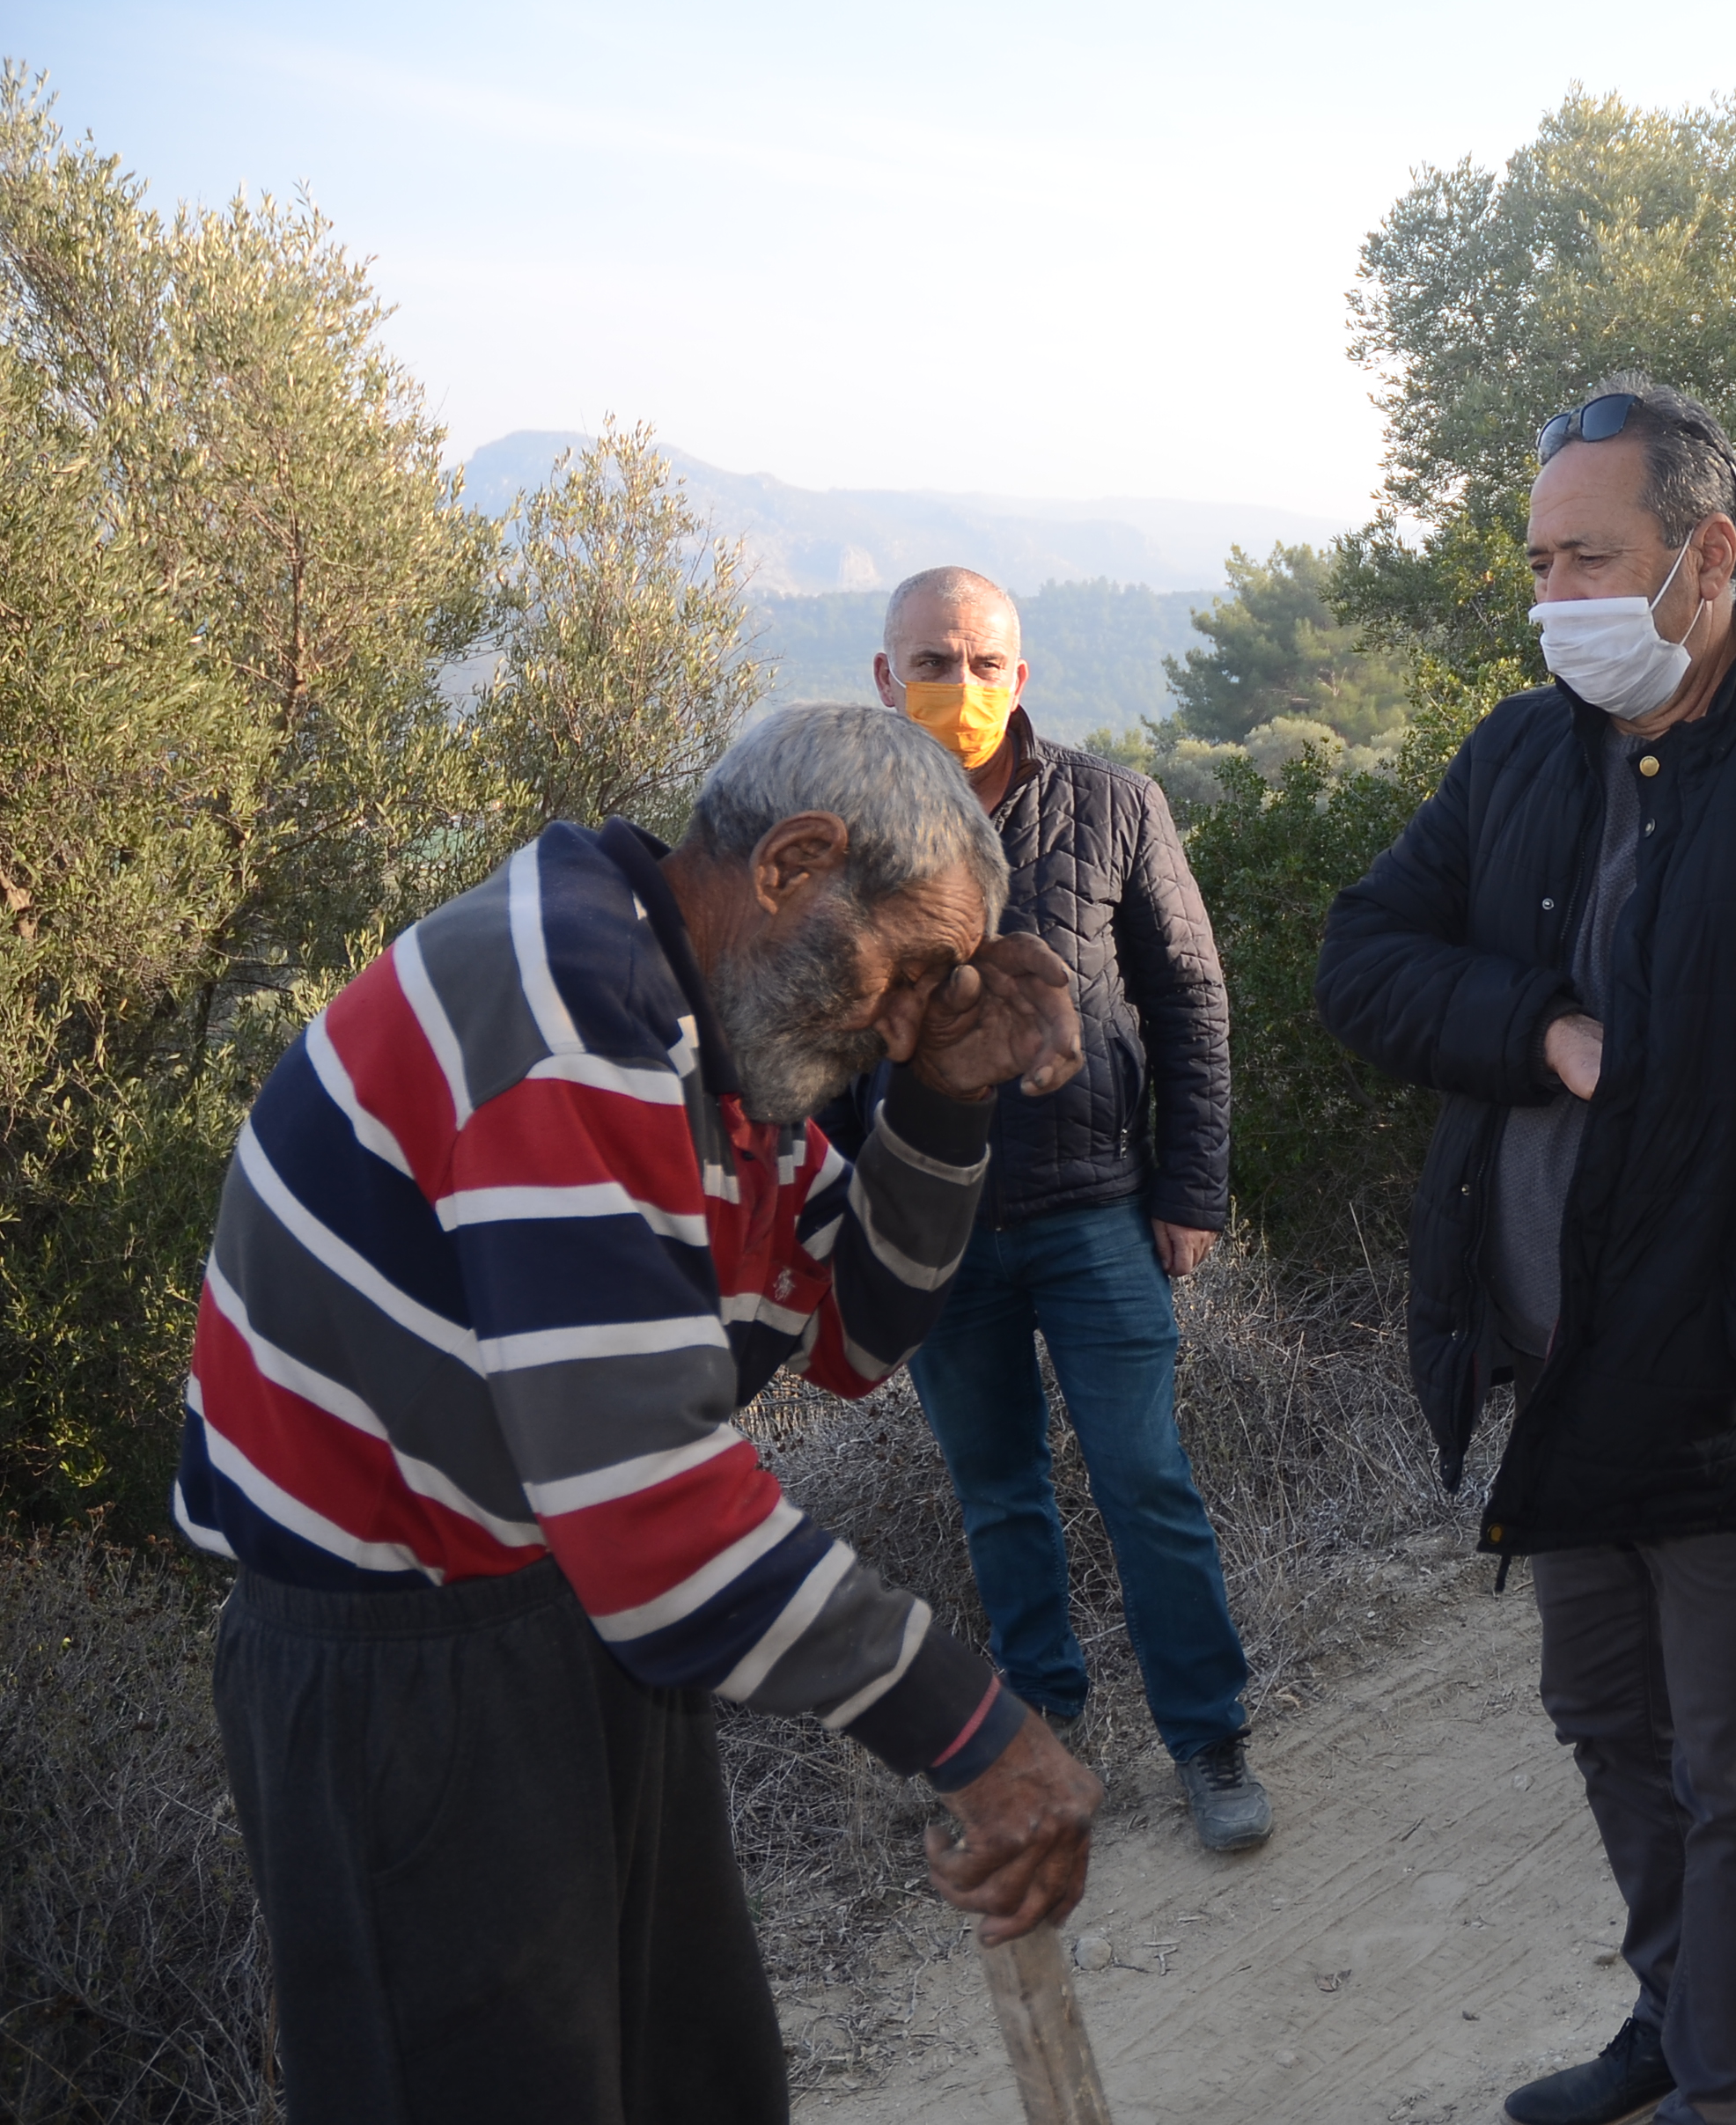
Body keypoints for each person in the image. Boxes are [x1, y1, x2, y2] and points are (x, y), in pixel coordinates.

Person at [179, 703, 1106, 2125]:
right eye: (907, 972)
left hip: (565, 1613)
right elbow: (654, 1514)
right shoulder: (570, 1014)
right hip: (404, 1669)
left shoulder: (712, 1039)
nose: (907, 1016)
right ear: (795, 862)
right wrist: (980, 1732)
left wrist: (941, 1104)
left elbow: (853, 1334)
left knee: (697, 2079)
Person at [1317, 375, 1736, 2125]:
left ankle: (1731, 2093)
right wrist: (1537, 1024)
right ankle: (1674, 2017)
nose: (1557, 602)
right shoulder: (1521, 751)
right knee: (1609, 1725)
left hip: (1734, 1385)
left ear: (1708, 554)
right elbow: (1365, 960)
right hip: (1559, 1366)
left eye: (1590, 560)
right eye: (1539, 565)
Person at [857, 565, 1264, 1852]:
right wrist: (835, 1229)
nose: (957, 687)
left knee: (1147, 1480)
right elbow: (807, 1044)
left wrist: (1192, 1187)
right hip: (937, 1230)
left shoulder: (1113, 804)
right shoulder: (844, 837)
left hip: (1097, 1210)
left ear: (1020, 677)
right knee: (1000, 1495)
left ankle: (1210, 1740)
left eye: (981, 664)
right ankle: (1047, 1741)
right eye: (930, 661)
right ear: (884, 678)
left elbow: (1191, 997)